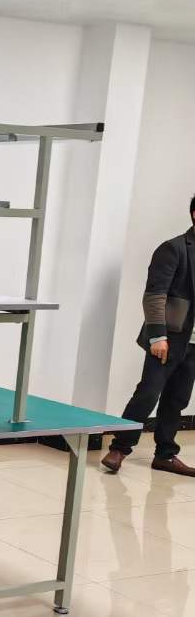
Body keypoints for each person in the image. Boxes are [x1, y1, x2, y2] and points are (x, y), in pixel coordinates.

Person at [103, 197, 195, 475]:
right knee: (148, 393)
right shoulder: (173, 249)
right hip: (169, 338)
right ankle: (119, 448)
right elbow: (155, 296)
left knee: (177, 399)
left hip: (194, 343)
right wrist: (157, 337)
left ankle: (165, 455)